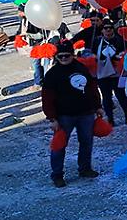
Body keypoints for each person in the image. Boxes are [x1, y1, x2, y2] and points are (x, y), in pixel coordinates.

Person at [43, 40, 104, 188]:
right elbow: (47, 97)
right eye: (60, 56)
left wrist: (98, 106)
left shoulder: (81, 68)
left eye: (66, 56)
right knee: (59, 146)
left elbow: (92, 89)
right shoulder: (52, 74)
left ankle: (85, 168)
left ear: (73, 55)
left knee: (86, 142)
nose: (63, 59)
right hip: (63, 116)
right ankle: (57, 174)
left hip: (86, 113)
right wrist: (52, 118)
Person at [90, 22, 127, 126]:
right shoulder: (97, 41)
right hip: (102, 74)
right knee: (106, 97)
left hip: (116, 74)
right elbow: (91, 53)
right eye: (105, 28)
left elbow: (126, 52)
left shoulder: (120, 39)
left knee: (121, 95)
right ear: (102, 30)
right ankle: (110, 119)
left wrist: (120, 57)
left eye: (110, 28)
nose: (108, 30)